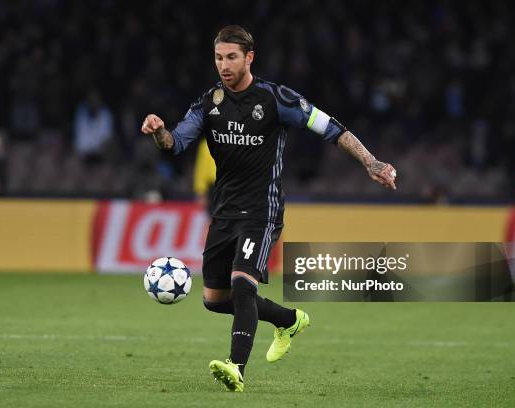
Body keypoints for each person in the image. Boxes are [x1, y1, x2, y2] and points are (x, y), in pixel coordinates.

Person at [141, 25, 397, 392]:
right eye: (218, 57)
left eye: (231, 57)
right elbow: (176, 143)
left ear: (249, 58)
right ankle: (289, 320)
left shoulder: (276, 99)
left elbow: (332, 128)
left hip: (263, 209)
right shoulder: (209, 102)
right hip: (225, 211)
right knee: (214, 300)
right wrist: (158, 131)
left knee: (242, 285)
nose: (224, 65)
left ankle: (236, 367)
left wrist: (371, 161)